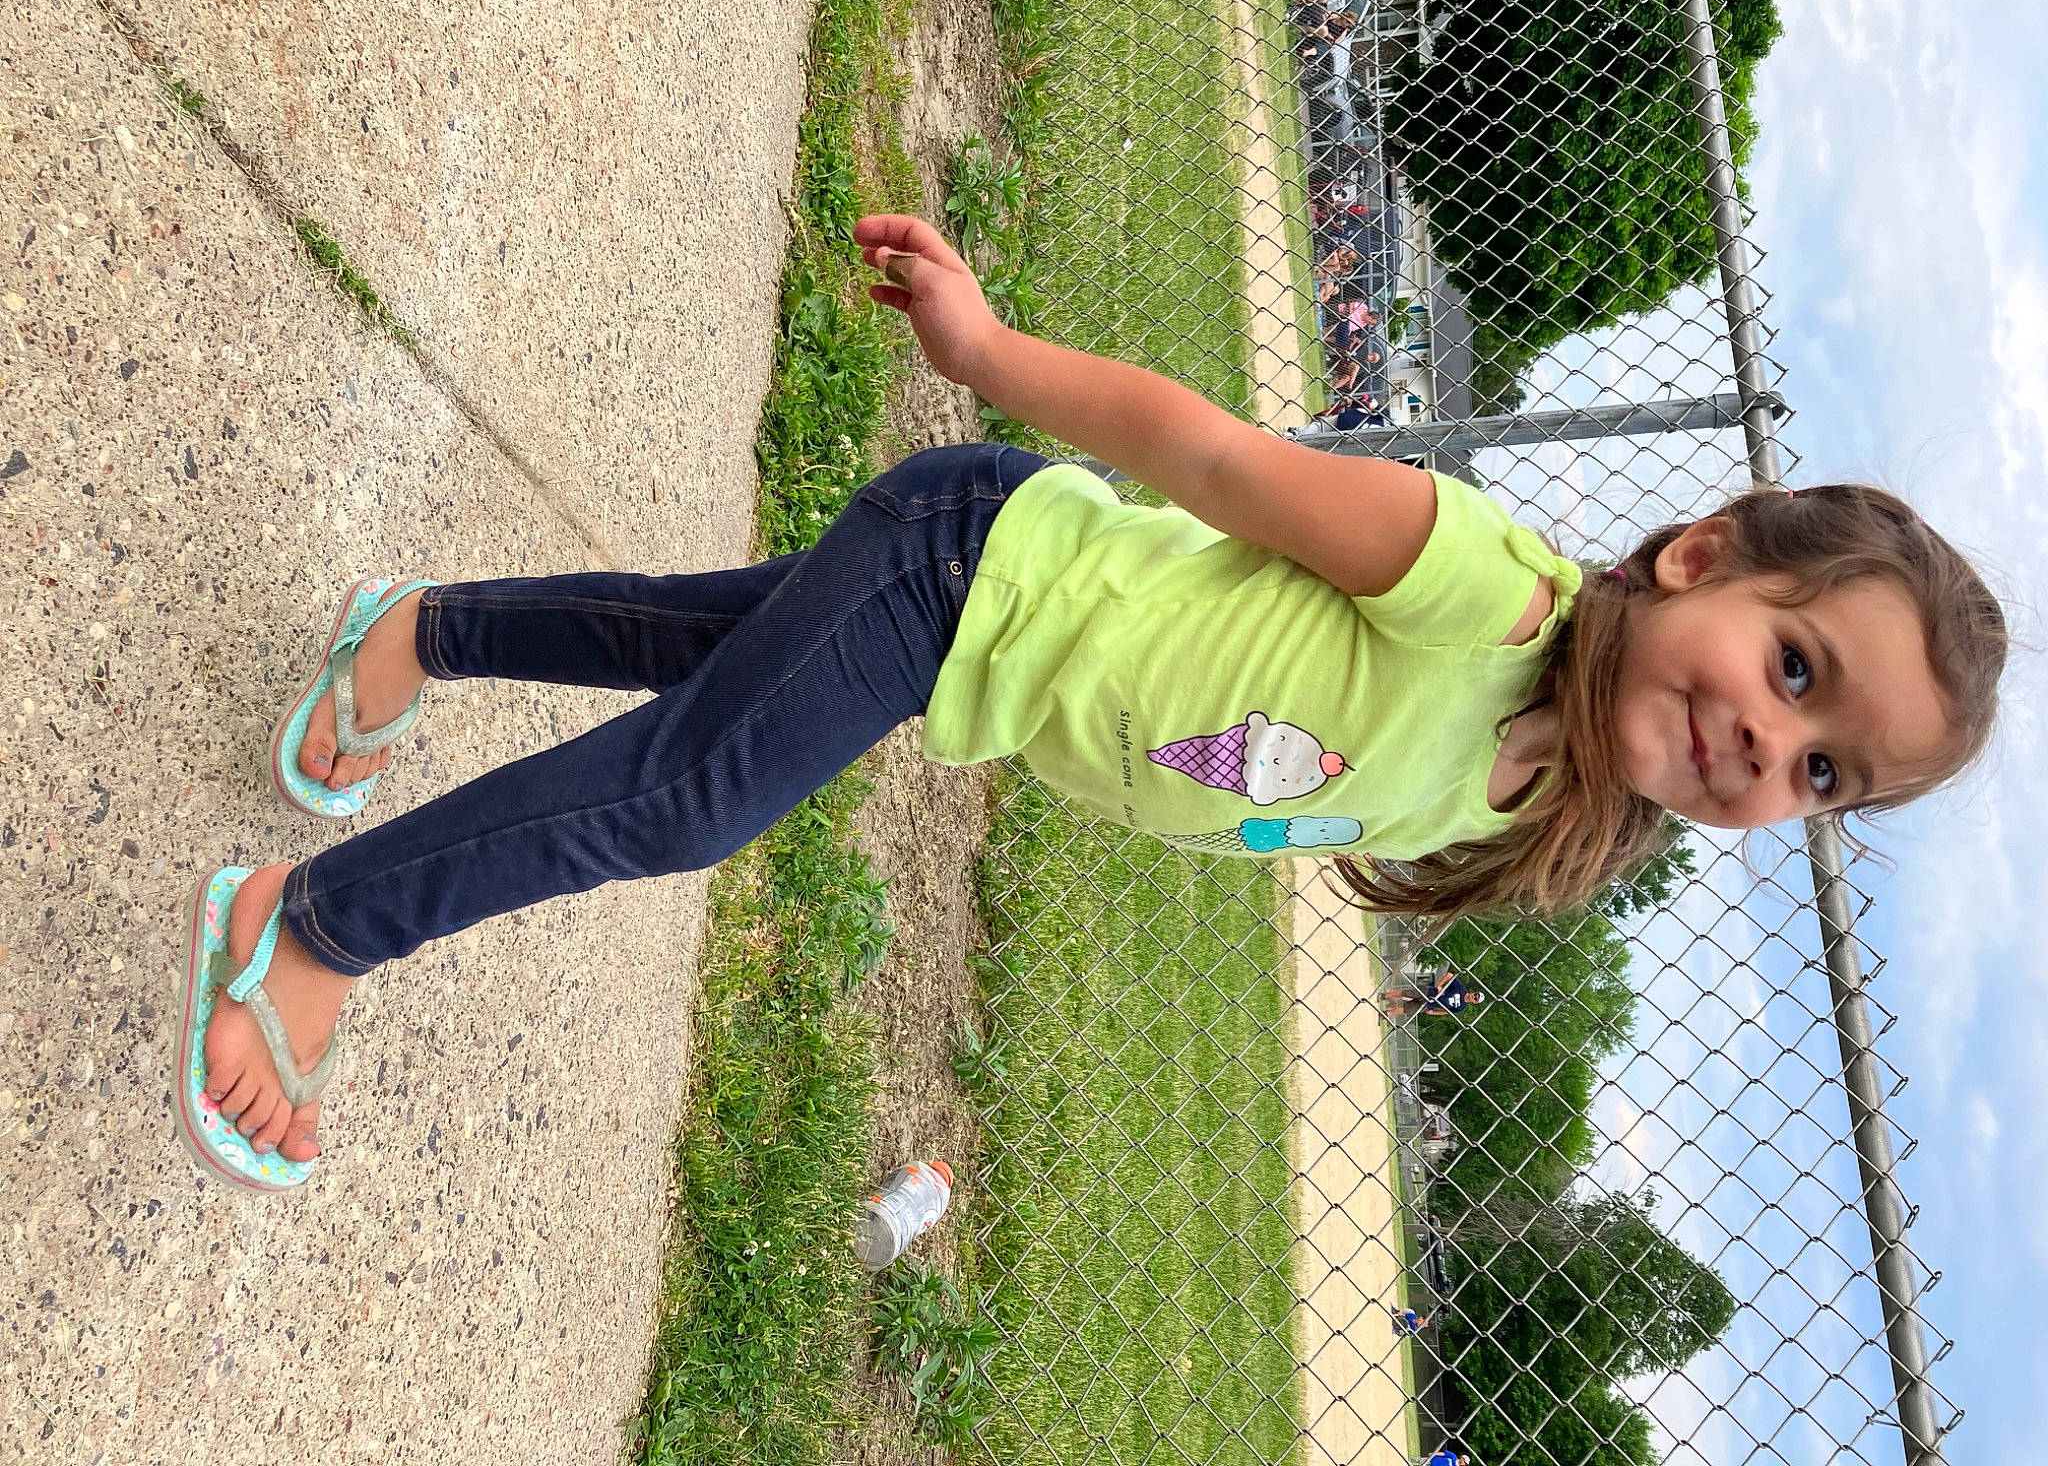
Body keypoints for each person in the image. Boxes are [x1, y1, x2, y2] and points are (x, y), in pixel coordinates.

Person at [181, 212, 2007, 1187]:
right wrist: (978, 352)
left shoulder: (1528, 801)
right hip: (969, 571)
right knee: (689, 793)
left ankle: (416, 631)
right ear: (1699, 558)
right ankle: (313, 927)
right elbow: (1204, 454)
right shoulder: (1477, 590)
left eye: (1827, 772)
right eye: (1794, 668)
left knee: (693, 651)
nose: (1772, 745)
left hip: (977, 657)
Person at [1383, 969, 1482, 1019]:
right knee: (1406, 993)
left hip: (1429, 1005)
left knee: (1407, 1010)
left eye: (1475, 999)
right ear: (1474, 992)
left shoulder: (1462, 1007)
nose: (1474, 997)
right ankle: (1385, 995)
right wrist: (1439, 986)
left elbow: (1447, 1012)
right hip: (1429, 992)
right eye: (1475, 995)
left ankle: (1386, 1014)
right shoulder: (1461, 988)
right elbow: (1450, 975)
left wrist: (1433, 1013)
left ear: (1474, 1002)